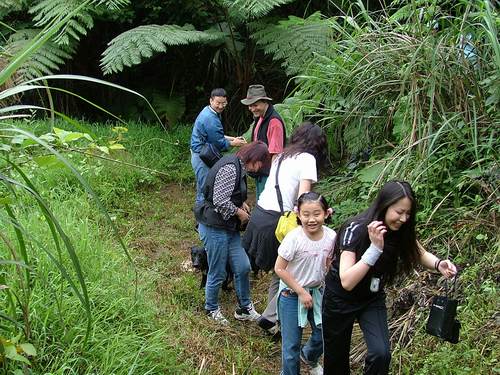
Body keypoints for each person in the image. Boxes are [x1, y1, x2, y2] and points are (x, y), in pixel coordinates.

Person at [322, 180, 458, 374]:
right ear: (384, 206)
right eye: (399, 212)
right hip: (340, 299)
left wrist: (438, 264)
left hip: (371, 297)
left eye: (408, 213)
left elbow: (418, 252)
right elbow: (347, 281)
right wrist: (375, 249)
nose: (403, 219)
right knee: (336, 362)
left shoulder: (400, 231)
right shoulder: (356, 228)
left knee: (381, 353)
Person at [242, 122, 328, 334]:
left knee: (279, 269)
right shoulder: (307, 159)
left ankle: (272, 319)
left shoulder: (281, 155)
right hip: (277, 221)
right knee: (292, 271)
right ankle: (271, 317)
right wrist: (316, 216)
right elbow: (303, 199)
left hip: (260, 216)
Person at [194, 141, 271, 325]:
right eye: (261, 163)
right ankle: (211, 308)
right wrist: (240, 213)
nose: (260, 168)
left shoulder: (239, 167)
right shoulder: (231, 168)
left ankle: (245, 308)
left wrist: (241, 203)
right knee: (218, 270)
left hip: (228, 227)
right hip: (214, 226)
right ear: (254, 159)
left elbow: (228, 194)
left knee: (243, 266)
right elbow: (220, 200)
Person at [274, 192, 336, 375]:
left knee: (324, 334)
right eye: (306, 214)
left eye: (316, 214)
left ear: (326, 213)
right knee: (291, 347)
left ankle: (309, 355)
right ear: (298, 214)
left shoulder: (332, 237)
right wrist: (301, 291)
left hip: (318, 292)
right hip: (291, 295)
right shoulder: (294, 238)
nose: (311, 219)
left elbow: (331, 264)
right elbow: (280, 268)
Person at [191, 88, 246, 207]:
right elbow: (218, 143)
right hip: (201, 156)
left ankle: (203, 218)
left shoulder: (209, 111)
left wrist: (232, 138)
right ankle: (202, 221)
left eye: (223, 103)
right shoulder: (210, 118)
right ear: (211, 101)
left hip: (203, 154)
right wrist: (234, 143)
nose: (221, 106)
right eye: (218, 103)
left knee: (204, 186)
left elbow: (216, 135)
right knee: (205, 189)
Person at [241, 84, 286, 199]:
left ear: (265, 102)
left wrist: (272, 179)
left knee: (267, 204)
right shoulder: (260, 117)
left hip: (268, 174)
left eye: (255, 105)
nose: (252, 109)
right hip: (260, 172)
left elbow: (276, 153)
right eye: (250, 106)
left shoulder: (274, 122)